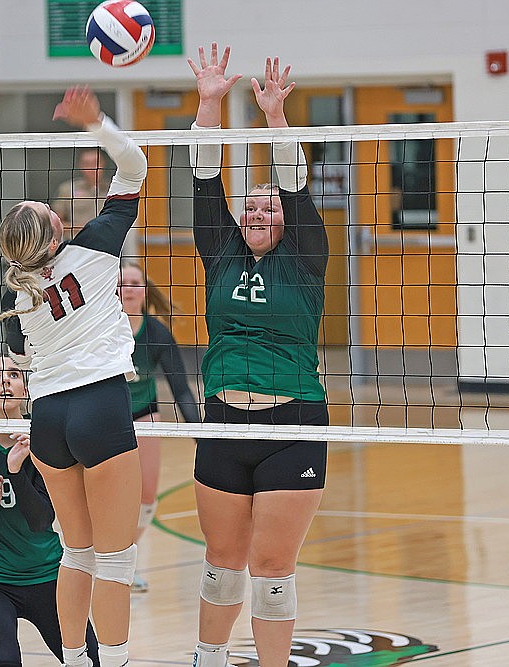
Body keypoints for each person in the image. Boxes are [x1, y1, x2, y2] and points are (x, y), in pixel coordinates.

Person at [0, 86, 146, 667]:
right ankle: (120, 660)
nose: (57, 210)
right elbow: (136, 165)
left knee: (75, 552)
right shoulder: (97, 249)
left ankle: (76, 659)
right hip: (100, 407)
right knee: (115, 559)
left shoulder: (18, 296)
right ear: (53, 234)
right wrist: (97, 125)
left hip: (49, 418)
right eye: (50, 213)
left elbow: (19, 353)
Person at [187, 45, 330, 667]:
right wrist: (209, 104)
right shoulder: (220, 252)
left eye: (270, 204)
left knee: (273, 568)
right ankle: (207, 658)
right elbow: (202, 180)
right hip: (222, 421)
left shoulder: (305, 260)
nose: (258, 207)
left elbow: (295, 185)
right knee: (222, 565)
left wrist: (275, 119)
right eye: (251, 203)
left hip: (292, 426)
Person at [0, 353, 101, 666]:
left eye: (13, 374)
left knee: (91, 661)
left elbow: (42, 520)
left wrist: (16, 471)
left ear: (25, 390)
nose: (6, 380)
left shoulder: (45, 442)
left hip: (49, 576)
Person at [117, 262, 201, 593]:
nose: (130, 289)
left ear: (145, 290)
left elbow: (181, 388)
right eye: (123, 283)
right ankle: (100, 558)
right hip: (107, 416)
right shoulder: (102, 328)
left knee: (147, 496)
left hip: (144, 413)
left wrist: (200, 435)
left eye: (136, 283)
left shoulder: (157, 334)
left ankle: (126, 558)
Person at [51, 147, 111, 240]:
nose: (92, 168)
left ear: (103, 164)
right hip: (76, 245)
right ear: (81, 166)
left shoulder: (113, 190)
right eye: (87, 164)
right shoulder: (68, 189)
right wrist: (83, 228)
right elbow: (54, 223)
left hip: (106, 245)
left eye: (96, 162)